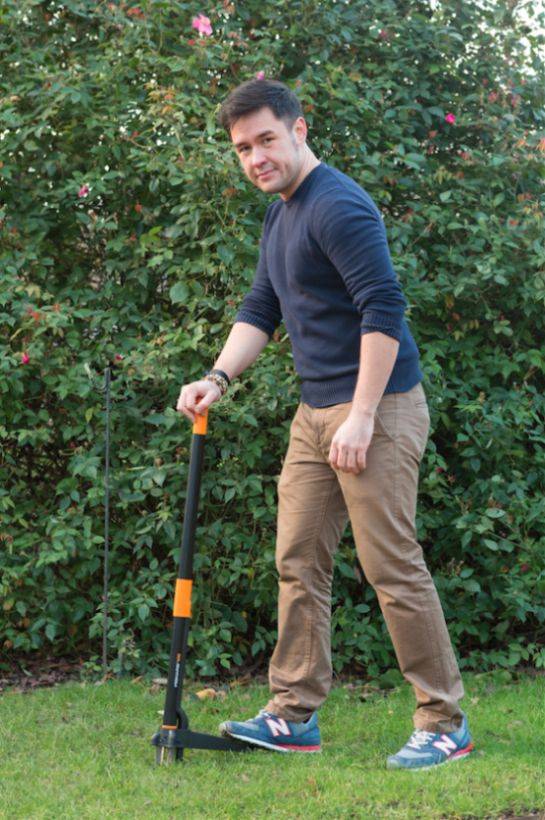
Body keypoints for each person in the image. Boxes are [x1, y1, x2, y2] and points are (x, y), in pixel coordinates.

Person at [176, 78, 474, 770]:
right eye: (243, 148)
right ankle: (292, 714)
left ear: (299, 129)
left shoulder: (338, 206)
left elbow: (384, 312)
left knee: (391, 568)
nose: (255, 157)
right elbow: (261, 306)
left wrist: (363, 417)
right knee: (297, 561)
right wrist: (217, 377)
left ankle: (443, 721)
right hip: (316, 413)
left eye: (266, 140)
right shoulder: (281, 214)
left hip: (377, 407)